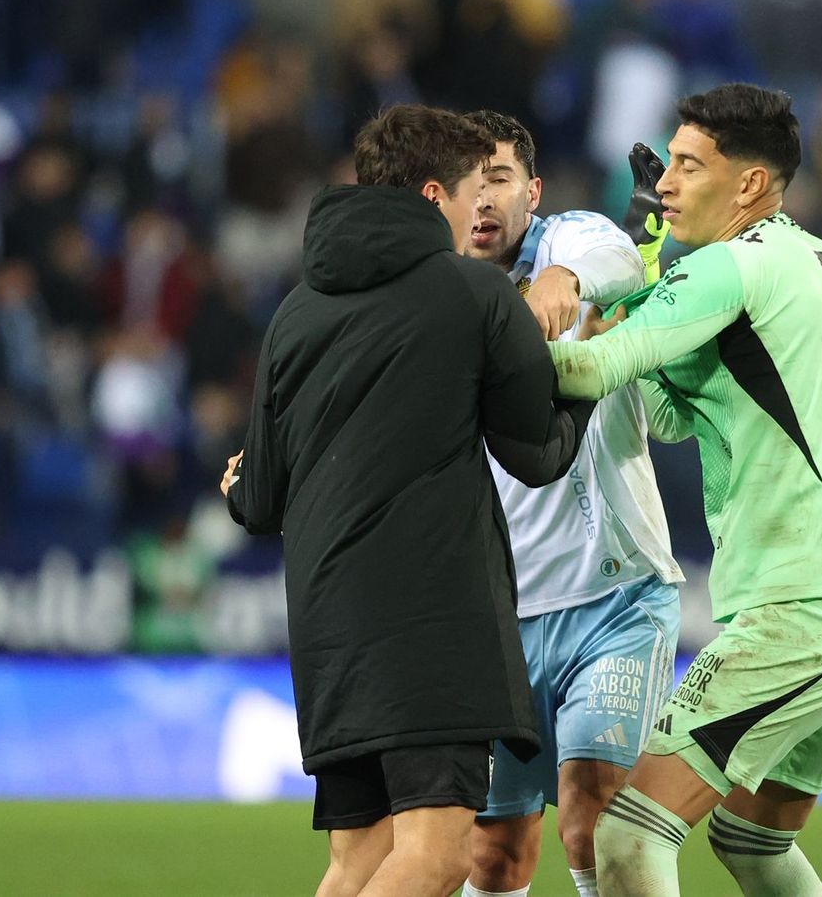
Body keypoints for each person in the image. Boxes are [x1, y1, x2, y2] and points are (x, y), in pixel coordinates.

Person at [549, 83, 822, 896]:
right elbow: (678, 413)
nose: (668, 183)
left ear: (749, 184)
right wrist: (644, 271)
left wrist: (457, 332)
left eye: (688, 165)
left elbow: (581, 369)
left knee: (626, 834)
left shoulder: (730, 269)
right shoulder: (818, 259)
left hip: (805, 607)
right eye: (669, 163)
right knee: (752, 841)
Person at [221, 104, 593, 897]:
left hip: (325, 623)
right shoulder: (472, 295)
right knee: (437, 851)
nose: (478, 213)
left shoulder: (296, 309)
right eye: (469, 194)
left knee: (357, 860)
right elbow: (540, 453)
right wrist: (583, 366)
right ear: (433, 194)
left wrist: (235, 483)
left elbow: (257, 498)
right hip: (433, 620)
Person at [457, 110, 684, 897]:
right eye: (469, 182)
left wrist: (569, 281)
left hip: (613, 595)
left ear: (533, 191)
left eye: (500, 179)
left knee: (591, 819)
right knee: (493, 851)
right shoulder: (436, 281)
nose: (484, 200)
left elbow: (618, 254)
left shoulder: (566, 241)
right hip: (494, 613)